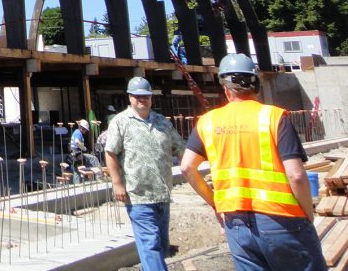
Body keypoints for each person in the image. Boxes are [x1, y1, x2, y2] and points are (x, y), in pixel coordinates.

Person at [180, 53, 326, 271]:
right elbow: (296, 175)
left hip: (236, 223)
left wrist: (216, 205)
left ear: (226, 88)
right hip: (282, 219)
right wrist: (307, 215)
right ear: (256, 85)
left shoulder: (208, 122)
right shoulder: (273, 117)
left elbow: (186, 167)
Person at [104, 77, 185, 271]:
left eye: (146, 96)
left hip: (162, 195)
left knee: (161, 246)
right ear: (130, 97)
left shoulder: (162, 122)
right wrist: (117, 183)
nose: (142, 100)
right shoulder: (120, 122)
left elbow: (180, 148)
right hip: (137, 195)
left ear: (151, 98)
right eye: (137, 96)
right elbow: (111, 152)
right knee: (150, 243)